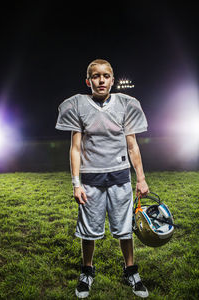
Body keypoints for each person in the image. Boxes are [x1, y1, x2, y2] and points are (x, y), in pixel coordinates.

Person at [55, 59, 149, 298]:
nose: (101, 80)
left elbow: (133, 146)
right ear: (88, 81)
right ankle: (87, 271)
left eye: (106, 76)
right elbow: (75, 149)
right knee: (88, 231)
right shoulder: (78, 105)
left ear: (112, 80)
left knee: (125, 229)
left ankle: (131, 270)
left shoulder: (126, 105)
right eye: (96, 76)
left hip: (119, 177)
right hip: (90, 180)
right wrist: (76, 183)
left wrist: (141, 179)